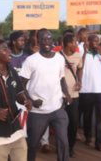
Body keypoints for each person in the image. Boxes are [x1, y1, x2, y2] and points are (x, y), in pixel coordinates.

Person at [19, 29, 72, 161]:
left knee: (63, 142)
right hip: (38, 112)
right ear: (38, 41)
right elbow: (22, 85)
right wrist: (31, 100)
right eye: (43, 38)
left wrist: (66, 93)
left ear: (52, 39)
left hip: (57, 107)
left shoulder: (59, 58)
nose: (47, 40)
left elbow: (61, 79)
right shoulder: (31, 60)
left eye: (49, 37)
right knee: (32, 144)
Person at [79, 34, 101, 151]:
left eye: (97, 41)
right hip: (86, 90)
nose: (96, 43)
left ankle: (99, 142)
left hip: (100, 90)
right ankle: (88, 137)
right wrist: (84, 52)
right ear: (88, 42)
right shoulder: (83, 54)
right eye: (93, 41)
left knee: (99, 118)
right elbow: (80, 67)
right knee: (87, 117)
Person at [61, 35, 83, 157]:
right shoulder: (57, 56)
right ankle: (61, 147)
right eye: (75, 43)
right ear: (69, 44)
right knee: (60, 123)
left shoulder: (78, 56)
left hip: (74, 95)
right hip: (59, 95)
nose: (77, 45)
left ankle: (70, 147)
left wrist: (79, 80)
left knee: (73, 122)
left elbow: (80, 69)